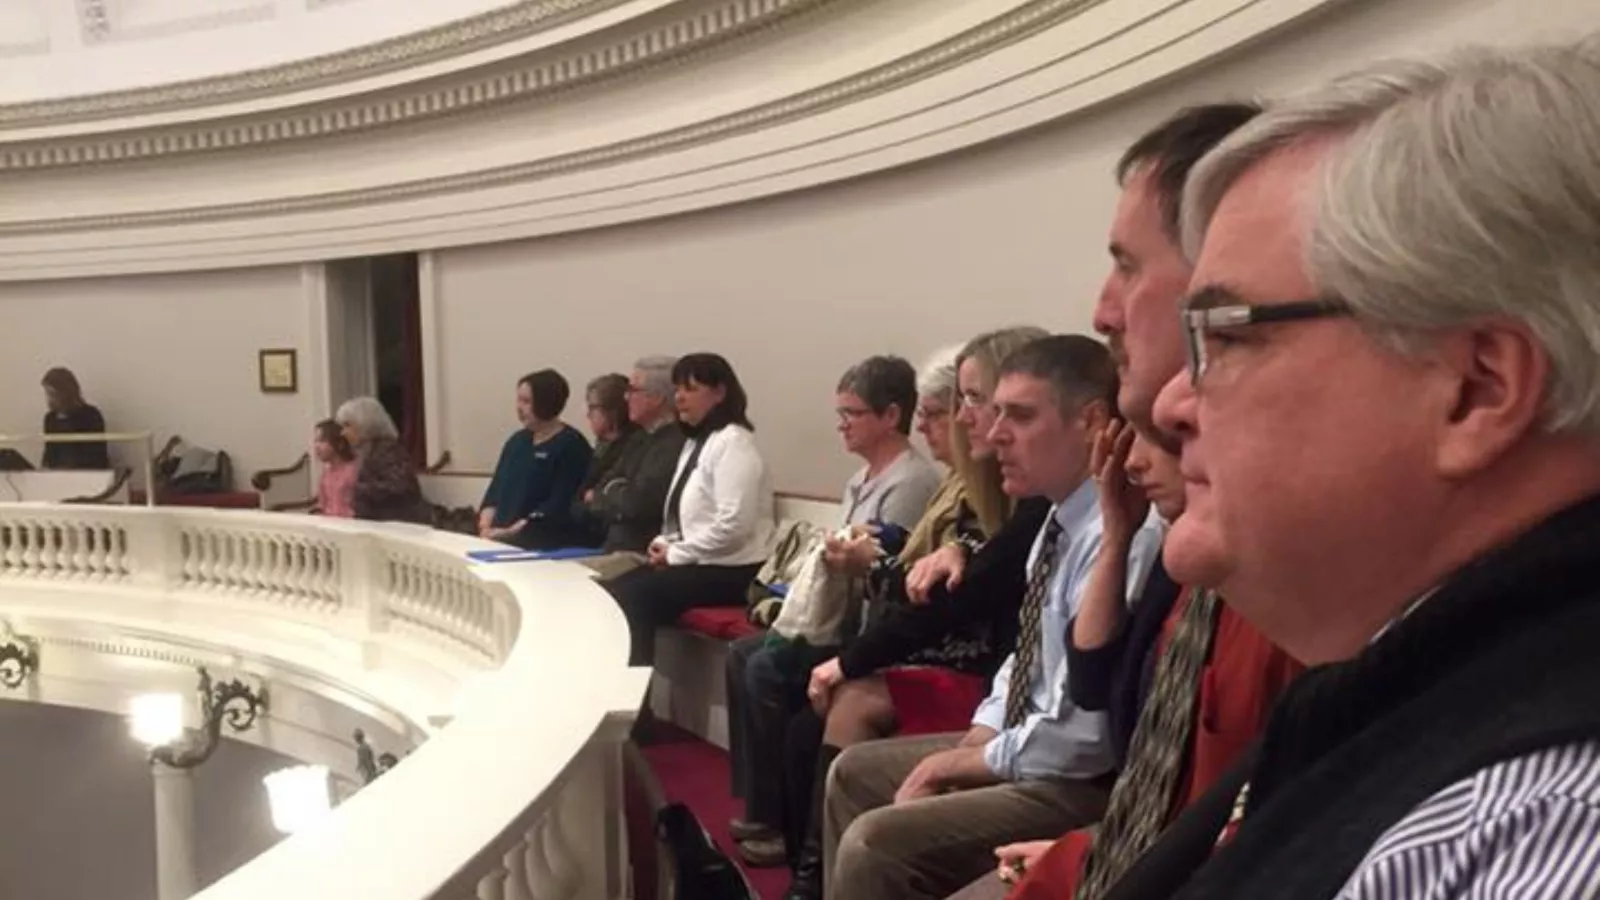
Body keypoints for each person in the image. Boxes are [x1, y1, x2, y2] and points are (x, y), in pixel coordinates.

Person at [1102, 40, 1600, 900]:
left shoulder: (1537, 829)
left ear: (1476, 389)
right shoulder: (1414, 692)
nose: (1177, 403)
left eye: (1225, 334)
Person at [947, 104, 1304, 900]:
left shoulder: (1292, 584)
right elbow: (1112, 697)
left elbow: (1100, 729)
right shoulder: (1165, 542)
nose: (1103, 308)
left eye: (1128, 266)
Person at [822, 335, 1166, 900]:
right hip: (1032, 747)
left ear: (1091, 421)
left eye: (1021, 415)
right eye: (996, 411)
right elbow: (1022, 660)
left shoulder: (1117, 535)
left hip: (1078, 780)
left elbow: (1082, 738)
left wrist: (964, 762)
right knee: (854, 772)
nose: (994, 432)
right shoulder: (1058, 522)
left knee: (875, 842)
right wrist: (980, 734)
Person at [781, 328, 1050, 900]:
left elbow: (951, 599)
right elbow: (961, 579)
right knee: (787, 686)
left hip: (983, 680)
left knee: (836, 700)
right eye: (975, 404)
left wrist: (854, 646)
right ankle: (806, 875)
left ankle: (809, 880)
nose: (964, 420)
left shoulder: (1042, 507)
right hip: (995, 688)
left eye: (973, 403)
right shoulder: (988, 491)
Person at [726, 354, 943, 865]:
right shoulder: (859, 479)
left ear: (891, 416)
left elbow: (895, 573)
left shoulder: (911, 483)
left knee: (763, 667)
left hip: (872, 630)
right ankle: (761, 803)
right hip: (844, 618)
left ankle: (779, 823)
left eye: (853, 413)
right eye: (840, 413)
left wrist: (852, 560)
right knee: (742, 654)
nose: (842, 424)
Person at [603, 353, 775, 668]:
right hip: (703, 560)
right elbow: (689, 515)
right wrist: (669, 543)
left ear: (720, 393)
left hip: (735, 570)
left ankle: (637, 703)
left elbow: (734, 526)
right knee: (615, 590)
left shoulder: (734, 444)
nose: (679, 397)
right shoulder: (699, 442)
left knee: (634, 598)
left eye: (690, 389)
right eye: (677, 388)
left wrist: (676, 554)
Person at [580, 356, 688, 555]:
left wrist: (609, 493)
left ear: (657, 398)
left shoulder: (674, 444)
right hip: (614, 547)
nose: (626, 397)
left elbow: (637, 505)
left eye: (633, 390)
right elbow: (600, 486)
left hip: (642, 554)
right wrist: (614, 491)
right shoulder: (639, 438)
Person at [479, 369, 594, 549]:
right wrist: (486, 526)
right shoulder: (517, 441)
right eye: (518, 400)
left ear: (546, 403)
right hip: (497, 539)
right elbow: (495, 491)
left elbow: (559, 503)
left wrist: (512, 531)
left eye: (526, 401)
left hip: (540, 542)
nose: (519, 407)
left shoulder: (571, 445)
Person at [336, 396, 429, 524]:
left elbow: (400, 486)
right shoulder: (366, 451)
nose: (343, 433)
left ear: (365, 424)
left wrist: (356, 488)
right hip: (380, 525)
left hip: (398, 527)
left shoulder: (388, 450)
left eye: (348, 425)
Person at [40, 367, 109, 470]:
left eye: (53, 394)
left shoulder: (91, 415)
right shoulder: (50, 419)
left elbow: (96, 454)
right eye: (48, 394)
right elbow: (50, 452)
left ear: (65, 393)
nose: (49, 399)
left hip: (88, 475)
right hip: (56, 475)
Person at [311, 418, 357, 518]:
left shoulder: (353, 471)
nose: (317, 446)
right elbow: (322, 505)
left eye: (322, 441)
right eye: (316, 441)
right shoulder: (326, 474)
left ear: (339, 443)